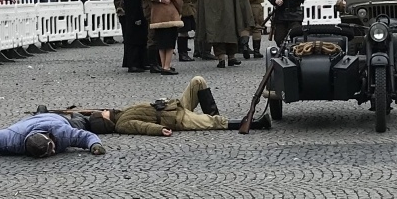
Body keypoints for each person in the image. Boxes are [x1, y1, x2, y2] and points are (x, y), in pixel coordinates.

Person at [54, 76, 262, 135]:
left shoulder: (121, 114)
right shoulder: (122, 124)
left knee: (198, 82)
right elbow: (142, 127)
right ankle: (255, 123)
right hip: (174, 119)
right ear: (106, 120)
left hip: (174, 106)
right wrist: (160, 129)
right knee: (215, 122)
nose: (105, 110)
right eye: (104, 112)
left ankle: (214, 115)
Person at [0, 112, 107, 157]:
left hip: (58, 120)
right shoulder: (15, 139)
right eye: (48, 154)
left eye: (51, 148)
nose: (53, 152)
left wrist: (95, 145)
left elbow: (86, 136)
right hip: (31, 120)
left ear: (50, 138)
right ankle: (41, 111)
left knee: (81, 122)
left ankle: (78, 115)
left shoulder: (62, 133)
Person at [147, 0, 184, 74]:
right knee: (170, 42)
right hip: (169, 16)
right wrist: (179, 11)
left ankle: (163, 65)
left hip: (157, 16)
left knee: (161, 43)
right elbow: (178, 0)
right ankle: (167, 66)